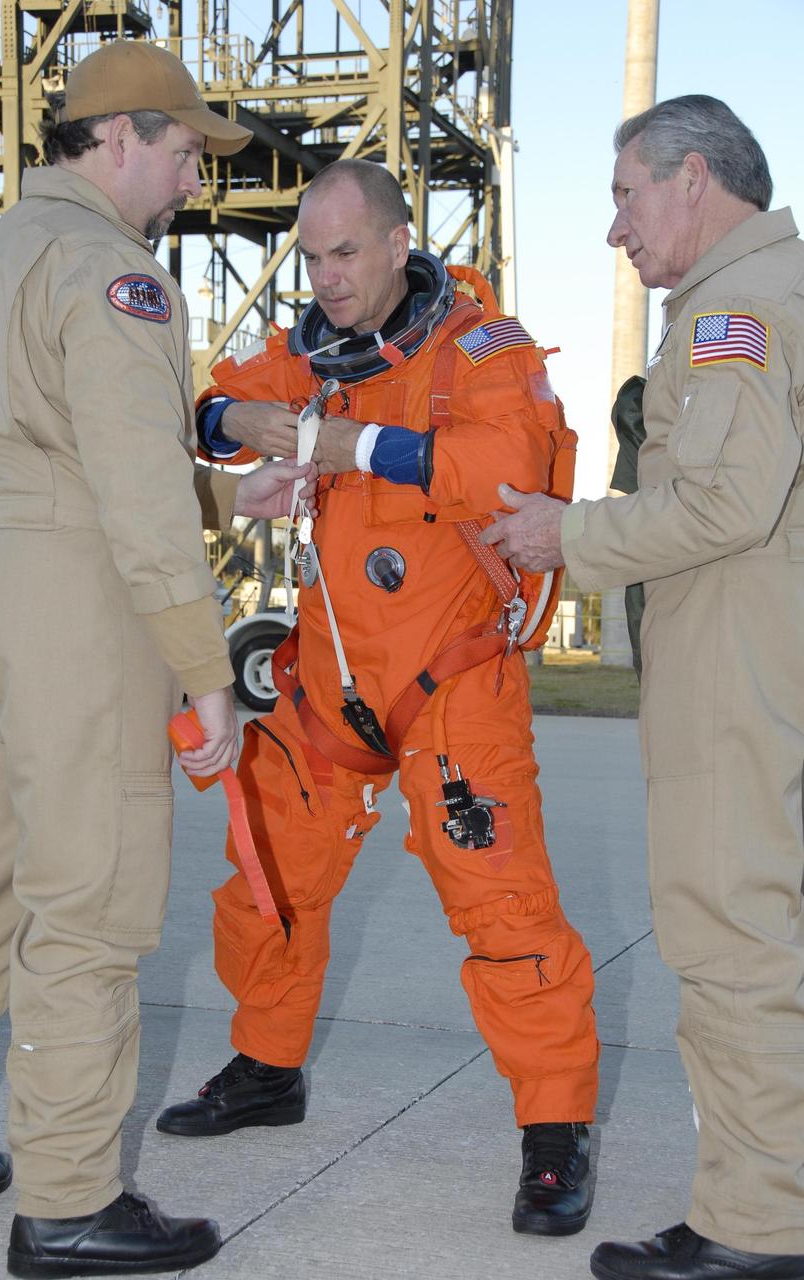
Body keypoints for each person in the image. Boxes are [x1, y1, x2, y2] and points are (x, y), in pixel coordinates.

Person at [155, 158, 601, 1238]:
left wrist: (348, 443)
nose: (325, 276)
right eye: (309, 257)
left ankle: (555, 1132)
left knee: (502, 905)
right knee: (265, 878)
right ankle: (266, 1064)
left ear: (400, 244)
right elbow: (211, 404)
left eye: (344, 252)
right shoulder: (307, 352)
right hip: (329, 685)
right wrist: (242, 433)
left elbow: (507, 467)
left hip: (451, 683)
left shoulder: (481, 349)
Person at [0, 38, 315, 1279]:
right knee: (89, 908)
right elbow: (131, 499)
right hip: (69, 620)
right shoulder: (115, 276)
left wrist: (224, 497)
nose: (190, 182)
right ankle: (68, 1197)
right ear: (116, 139)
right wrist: (204, 666)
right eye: (177, 152)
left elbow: (34, 453)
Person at [481, 96, 804, 1279]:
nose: (614, 226)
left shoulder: (733, 306)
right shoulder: (771, 288)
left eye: (625, 194)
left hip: (734, 653)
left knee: (729, 942)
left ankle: (758, 1228)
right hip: (763, 643)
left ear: (694, 179)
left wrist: (569, 530)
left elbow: (725, 501)